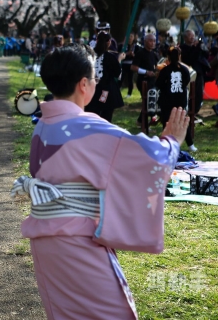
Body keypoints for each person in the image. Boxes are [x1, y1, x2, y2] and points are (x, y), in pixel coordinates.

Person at [11, 43, 187, 319]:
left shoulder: (44, 124)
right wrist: (172, 141)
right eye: (93, 78)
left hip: (45, 239)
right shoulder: (85, 126)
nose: (94, 82)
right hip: (76, 239)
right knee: (111, 313)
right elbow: (150, 158)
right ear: (84, 84)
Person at [156, 47, 197, 152]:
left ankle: (166, 143)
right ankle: (190, 144)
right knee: (182, 120)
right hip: (180, 99)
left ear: (168, 57)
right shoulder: (184, 69)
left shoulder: (165, 70)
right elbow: (187, 81)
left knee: (166, 122)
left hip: (167, 100)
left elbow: (159, 84)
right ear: (179, 56)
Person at [85, 32, 125, 122]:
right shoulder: (110, 57)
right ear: (109, 42)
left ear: (97, 41)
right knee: (105, 118)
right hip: (106, 91)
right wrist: (119, 60)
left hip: (91, 90)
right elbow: (117, 74)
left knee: (91, 116)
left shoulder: (88, 56)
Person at [131, 33, 159, 127]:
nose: (153, 43)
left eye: (154, 41)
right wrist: (146, 72)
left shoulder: (154, 54)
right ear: (145, 41)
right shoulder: (140, 53)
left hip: (153, 80)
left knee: (150, 101)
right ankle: (143, 123)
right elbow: (133, 67)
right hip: (143, 80)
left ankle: (142, 121)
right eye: (151, 41)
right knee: (147, 100)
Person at [180, 29, 209, 115]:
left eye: (193, 35)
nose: (192, 37)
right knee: (189, 94)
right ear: (185, 38)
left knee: (199, 95)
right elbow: (191, 59)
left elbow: (206, 55)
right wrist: (196, 47)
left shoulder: (198, 46)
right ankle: (188, 111)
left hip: (199, 74)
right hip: (189, 74)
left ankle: (194, 112)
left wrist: (201, 47)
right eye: (190, 35)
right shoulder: (183, 48)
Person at [119, 31, 140, 98]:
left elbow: (138, 56)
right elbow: (119, 54)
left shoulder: (136, 47)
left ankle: (129, 93)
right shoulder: (122, 46)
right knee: (121, 78)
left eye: (131, 36)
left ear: (134, 38)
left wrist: (134, 55)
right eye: (129, 36)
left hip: (131, 65)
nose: (130, 38)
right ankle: (117, 91)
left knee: (130, 79)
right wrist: (127, 53)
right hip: (123, 64)